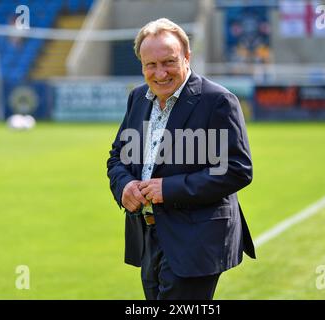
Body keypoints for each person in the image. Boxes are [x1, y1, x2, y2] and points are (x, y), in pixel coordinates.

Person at [107, 18, 255, 300]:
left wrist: (168, 189)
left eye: (169, 62)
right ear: (142, 65)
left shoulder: (218, 101)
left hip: (196, 240)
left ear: (187, 57)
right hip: (149, 233)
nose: (160, 73)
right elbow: (118, 158)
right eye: (151, 65)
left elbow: (237, 169)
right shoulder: (138, 98)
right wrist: (124, 186)